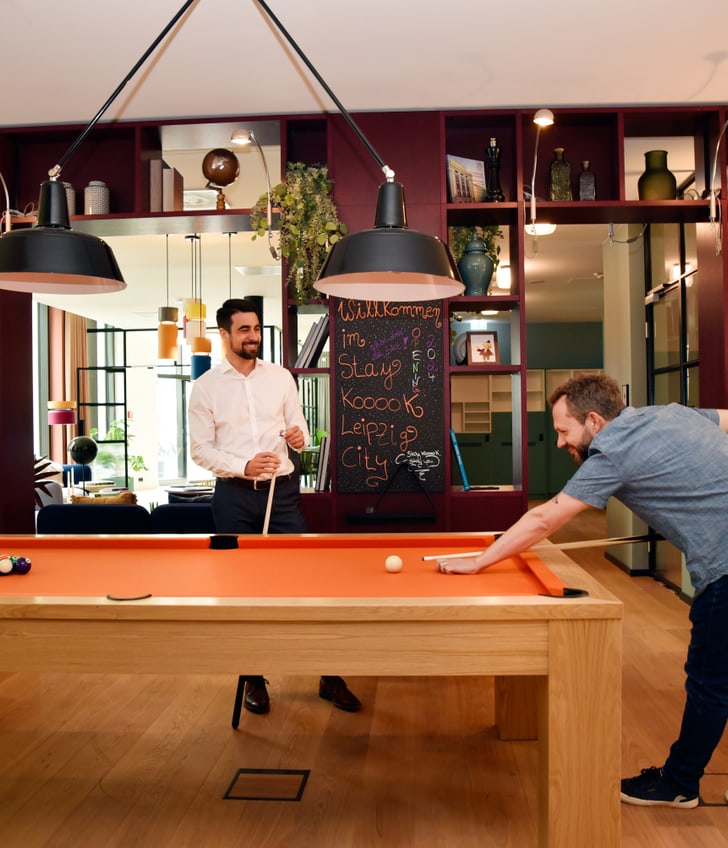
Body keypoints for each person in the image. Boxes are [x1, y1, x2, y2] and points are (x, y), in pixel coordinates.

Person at [438, 373, 728, 809]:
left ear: (594, 420)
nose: (559, 442)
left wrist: (480, 561)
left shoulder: (613, 451)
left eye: (563, 430)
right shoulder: (671, 413)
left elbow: (544, 519)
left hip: (724, 570)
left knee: (709, 682)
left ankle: (679, 784)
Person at [188, 298, 361, 715]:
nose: (253, 337)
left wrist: (300, 436)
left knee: (307, 584)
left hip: (281, 496)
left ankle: (328, 675)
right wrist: (242, 466)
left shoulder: (281, 377)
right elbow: (199, 450)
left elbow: (298, 426)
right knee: (240, 592)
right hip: (233, 497)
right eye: (244, 330)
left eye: (256, 328)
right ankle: (252, 677)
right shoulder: (206, 387)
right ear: (224, 334)